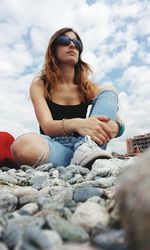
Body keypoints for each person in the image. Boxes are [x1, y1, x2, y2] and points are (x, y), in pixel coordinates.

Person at [11, 27, 125, 169]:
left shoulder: (86, 87)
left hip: (90, 144)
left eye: (77, 44)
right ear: (53, 49)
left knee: (109, 90)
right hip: (56, 146)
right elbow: (47, 126)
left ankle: (87, 152)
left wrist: (116, 128)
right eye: (64, 40)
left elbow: (117, 121)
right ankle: (84, 161)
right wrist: (78, 124)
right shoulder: (40, 85)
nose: (72, 45)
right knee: (23, 146)